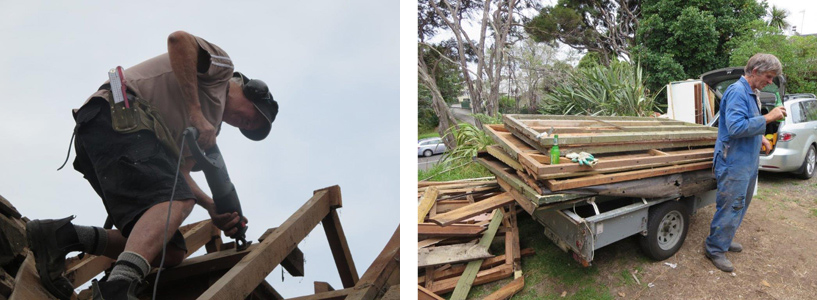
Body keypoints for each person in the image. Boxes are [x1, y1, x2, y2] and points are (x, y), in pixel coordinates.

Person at [25, 31, 278, 299]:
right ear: (253, 91)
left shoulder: (210, 129)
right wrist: (195, 112)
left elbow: (179, 178)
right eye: (254, 119)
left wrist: (211, 206)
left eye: (250, 128)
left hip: (108, 141)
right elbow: (179, 40)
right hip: (114, 113)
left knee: (171, 250)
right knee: (178, 203)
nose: (246, 125)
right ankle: (118, 288)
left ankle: (62, 236)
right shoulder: (221, 69)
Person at [704, 53, 786, 272]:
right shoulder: (738, 92)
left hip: (747, 160)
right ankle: (714, 248)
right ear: (756, 72)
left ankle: (724, 237)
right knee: (731, 206)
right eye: (768, 77)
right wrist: (769, 118)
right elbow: (736, 128)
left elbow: (747, 121)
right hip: (733, 162)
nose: (770, 82)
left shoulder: (752, 93)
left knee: (740, 205)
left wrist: (760, 138)